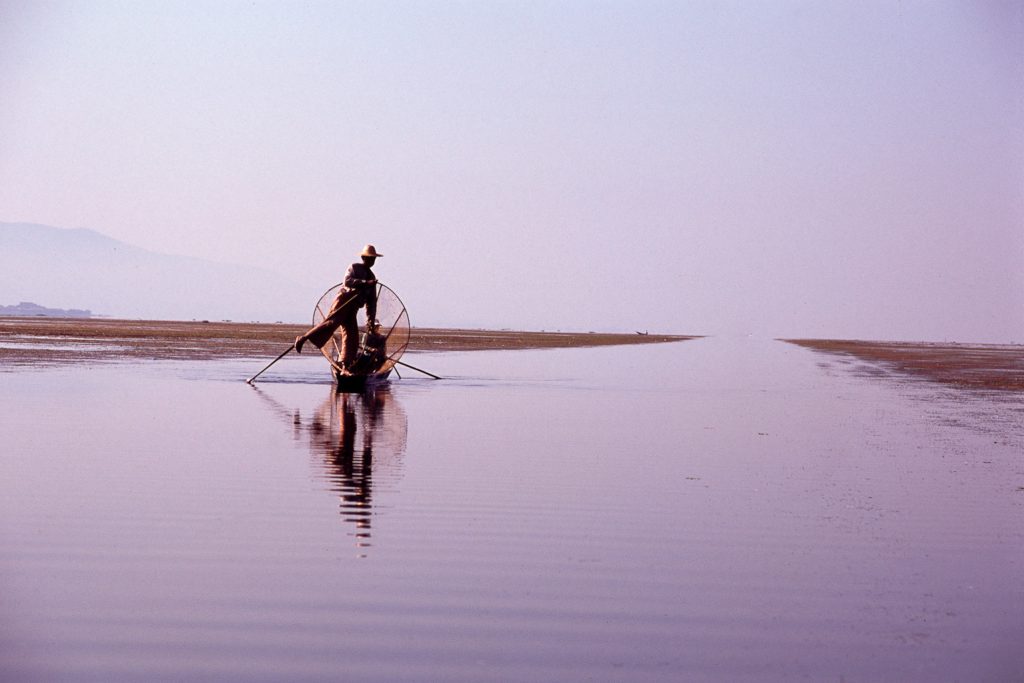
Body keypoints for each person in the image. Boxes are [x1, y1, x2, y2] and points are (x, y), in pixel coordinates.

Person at [294, 245, 382, 372]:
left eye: (373, 259)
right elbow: (348, 281)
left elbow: (371, 303)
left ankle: (345, 365)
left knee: (352, 336)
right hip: (344, 302)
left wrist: (371, 322)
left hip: (353, 308)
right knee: (331, 323)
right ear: (363, 258)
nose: (371, 261)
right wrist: (364, 283)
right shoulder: (354, 267)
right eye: (369, 258)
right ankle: (303, 338)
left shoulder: (372, 278)